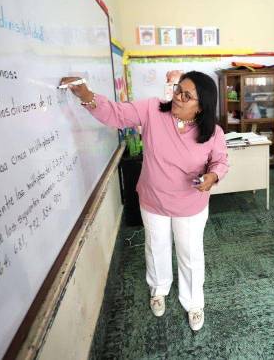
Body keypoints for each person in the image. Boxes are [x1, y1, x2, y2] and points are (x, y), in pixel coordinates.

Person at [59, 71, 228, 331]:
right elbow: (116, 114)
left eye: (187, 95)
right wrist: (86, 95)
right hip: (154, 200)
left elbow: (220, 161)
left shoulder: (212, 132)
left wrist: (212, 175)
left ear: (202, 104)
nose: (178, 97)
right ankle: (159, 289)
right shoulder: (152, 110)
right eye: (177, 89)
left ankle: (194, 303)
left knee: (190, 254)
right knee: (156, 247)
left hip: (190, 204)